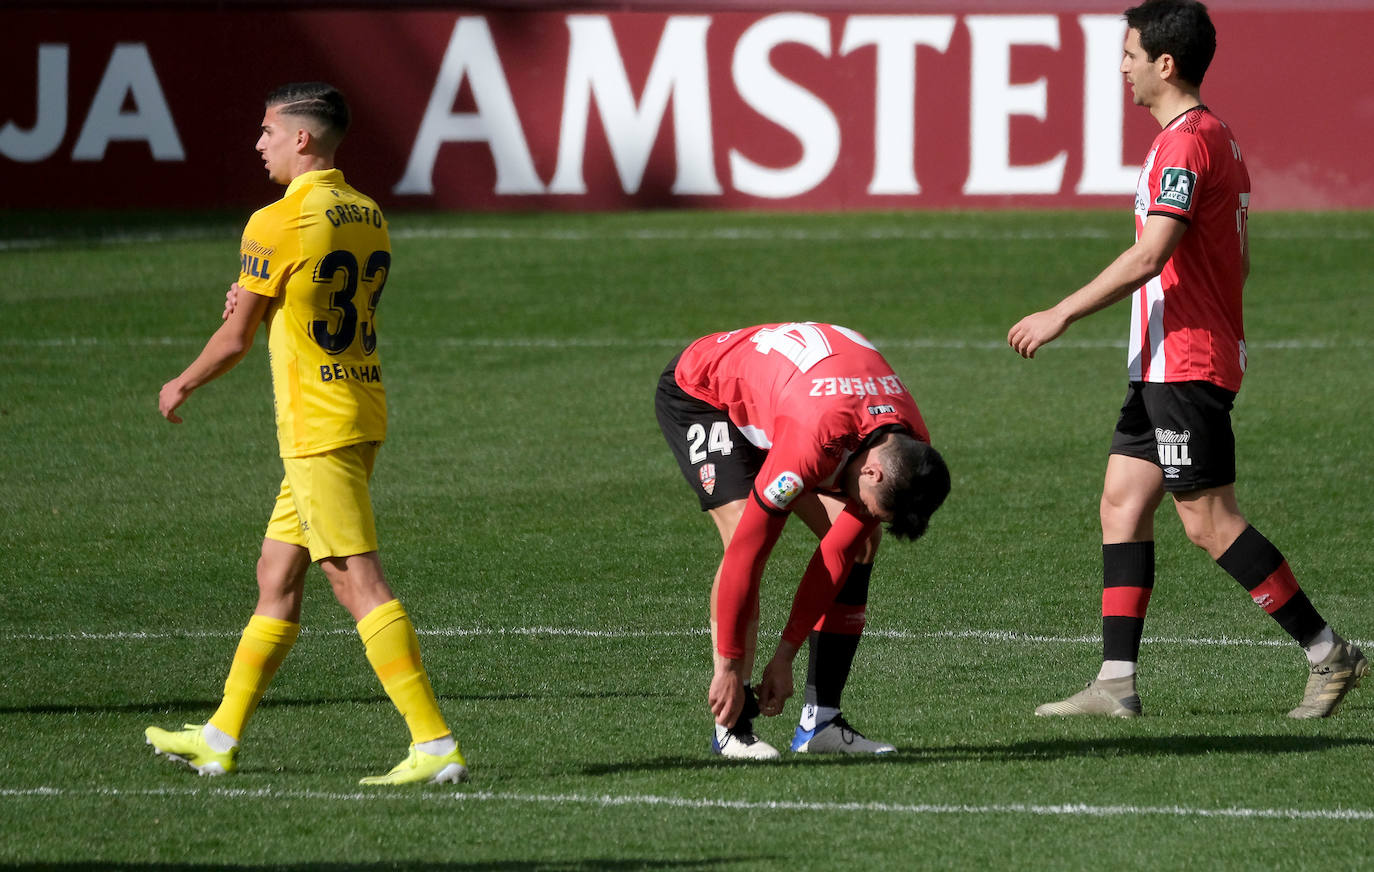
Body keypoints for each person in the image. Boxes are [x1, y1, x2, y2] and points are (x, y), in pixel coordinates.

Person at [1007, 0, 1365, 718]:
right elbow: (1241, 260)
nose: (1122, 68)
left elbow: (1152, 253)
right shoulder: (1210, 136)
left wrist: (1060, 313)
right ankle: (1116, 681)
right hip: (1161, 360)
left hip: (1187, 362)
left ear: (1165, 63)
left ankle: (1330, 653)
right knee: (1122, 501)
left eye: (1131, 54)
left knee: (1207, 520)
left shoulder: (1186, 143)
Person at [145, 82, 468, 784]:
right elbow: (311, 297)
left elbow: (235, 338)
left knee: (357, 583)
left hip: (316, 424)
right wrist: (258, 300)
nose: (257, 143)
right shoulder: (368, 211)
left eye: (266, 131)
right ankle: (220, 736)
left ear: (301, 139)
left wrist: (183, 381)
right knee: (276, 573)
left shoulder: (275, 220)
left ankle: (434, 744)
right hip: (359, 404)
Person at [656, 322, 950, 758]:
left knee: (862, 545)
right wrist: (732, 667)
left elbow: (838, 550)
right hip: (706, 393)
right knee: (742, 533)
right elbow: (747, 557)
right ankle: (730, 724)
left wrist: (785, 656)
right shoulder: (812, 446)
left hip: (789, 402)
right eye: (873, 508)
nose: (867, 515)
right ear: (872, 472)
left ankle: (821, 723)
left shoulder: (908, 446)